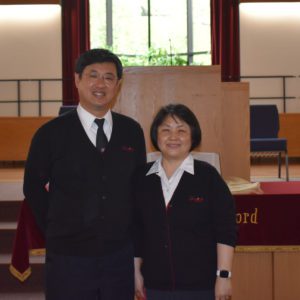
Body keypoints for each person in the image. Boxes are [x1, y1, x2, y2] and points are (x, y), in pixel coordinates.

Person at [23, 48, 146, 299]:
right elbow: (33, 187)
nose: (101, 84)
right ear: (77, 80)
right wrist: (56, 226)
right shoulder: (50, 134)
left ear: (118, 84)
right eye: (93, 75)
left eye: (109, 77)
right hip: (68, 256)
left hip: (118, 256)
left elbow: (138, 187)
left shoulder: (131, 131)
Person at [133, 104, 237, 300]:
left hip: (201, 287)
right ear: (156, 135)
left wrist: (224, 276)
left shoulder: (208, 176)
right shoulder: (142, 177)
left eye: (181, 130)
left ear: (193, 136)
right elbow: (137, 229)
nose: (173, 137)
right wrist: (135, 271)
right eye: (166, 130)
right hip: (155, 286)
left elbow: (226, 229)